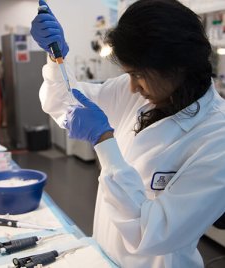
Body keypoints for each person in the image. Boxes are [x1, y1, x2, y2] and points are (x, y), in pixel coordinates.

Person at [31, 0, 225, 267]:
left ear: (178, 66)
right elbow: (68, 103)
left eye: (138, 75)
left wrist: (104, 141)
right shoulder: (136, 90)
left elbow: (153, 233)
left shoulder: (217, 137)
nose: (132, 87)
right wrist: (56, 60)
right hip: (105, 254)